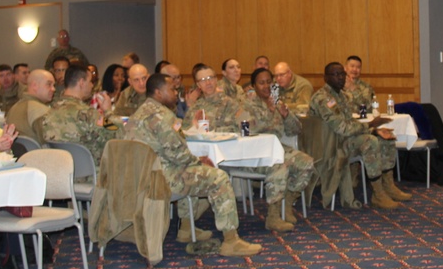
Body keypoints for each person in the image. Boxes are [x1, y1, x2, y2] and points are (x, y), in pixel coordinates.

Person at [123, 74, 262, 257]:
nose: (175, 93)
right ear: (158, 92)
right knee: (218, 177)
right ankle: (231, 240)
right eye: (171, 89)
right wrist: (199, 161)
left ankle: (186, 229)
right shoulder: (161, 115)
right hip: (160, 178)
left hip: (141, 176)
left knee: (192, 171)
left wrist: (194, 162)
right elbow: (178, 152)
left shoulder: (138, 113)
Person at [310, 62, 407, 210]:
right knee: (370, 142)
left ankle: (389, 186)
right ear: (325, 78)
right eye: (336, 75)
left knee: (385, 137)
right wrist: (370, 126)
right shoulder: (323, 99)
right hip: (330, 145)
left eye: (342, 74)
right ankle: (378, 194)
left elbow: (349, 123)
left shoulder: (340, 95)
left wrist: (374, 130)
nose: (341, 78)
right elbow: (343, 128)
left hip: (344, 140)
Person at [245, 67, 315, 232]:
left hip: (277, 147)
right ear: (254, 86)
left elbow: (295, 130)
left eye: (269, 82)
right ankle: (273, 216)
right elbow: (249, 131)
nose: (266, 86)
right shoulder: (247, 105)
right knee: (279, 165)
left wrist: (286, 115)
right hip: (256, 150)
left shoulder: (277, 101)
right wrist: (269, 112)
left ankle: (288, 204)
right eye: (261, 83)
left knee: (306, 162)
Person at [40, 65, 115, 166]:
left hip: (60, 171)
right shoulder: (88, 114)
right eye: (90, 81)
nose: (92, 85)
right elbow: (114, 132)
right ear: (81, 82)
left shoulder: (49, 112)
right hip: (90, 173)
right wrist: (108, 111)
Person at [184, 64, 249, 132]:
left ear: (216, 80)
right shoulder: (195, 107)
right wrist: (195, 126)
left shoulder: (230, 104)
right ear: (198, 85)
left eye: (210, 78)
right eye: (203, 80)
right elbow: (184, 130)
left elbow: (245, 128)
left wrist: (210, 128)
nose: (208, 83)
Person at [6, 69, 55, 143]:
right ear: (35, 85)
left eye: (53, 85)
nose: (53, 89)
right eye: (49, 84)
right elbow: (53, 143)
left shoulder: (13, 108)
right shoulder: (42, 111)